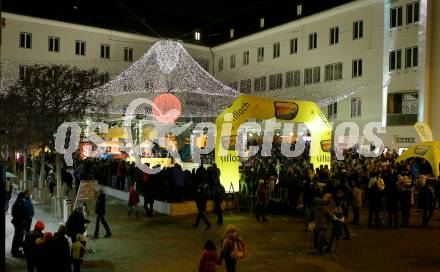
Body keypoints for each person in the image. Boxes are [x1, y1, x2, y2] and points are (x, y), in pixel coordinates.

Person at [11, 191, 27, 257]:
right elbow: (17, 214)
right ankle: (15, 252)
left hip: (19, 222)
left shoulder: (19, 202)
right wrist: (22, 220)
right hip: (19, 222)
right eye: (24, 196)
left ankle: (15, 250)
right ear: (22, 197)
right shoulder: (18, 204)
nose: (25, 197)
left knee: (18, 236)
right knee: (17, 237)